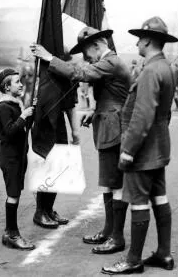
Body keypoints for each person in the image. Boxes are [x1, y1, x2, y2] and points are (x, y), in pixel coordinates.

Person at [31, 26, 131, 254]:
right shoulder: (110, 62)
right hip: (109, 124)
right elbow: (112, 96)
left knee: (114, 184)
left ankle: (116, 237)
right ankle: (109, 231)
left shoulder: (111, 61)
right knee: (109, 183)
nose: (87, 59)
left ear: (97, 45)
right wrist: (95, 112)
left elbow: (81, 74)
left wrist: (49, 58)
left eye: (87, 54)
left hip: (113, 128)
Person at [102, 17, 177, 274]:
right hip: (159, 146)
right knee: (160, 198)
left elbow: (142, 115)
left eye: (139, 39)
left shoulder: (150, 71)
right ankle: (164, 254)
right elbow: (164, 114)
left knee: (139, 202)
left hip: (143, 150)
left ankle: (133, 260)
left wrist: (128, 150)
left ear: (147, 40)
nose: (137, 42)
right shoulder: (167, 67)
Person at [0, 68, 36, 251]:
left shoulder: (15, 104)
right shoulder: (4, 107)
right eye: (17, 82)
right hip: (10, 157)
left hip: (19, 155)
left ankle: (9, 233)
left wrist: (30, 112)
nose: (21, 84)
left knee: (16, 193)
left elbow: (23, 128)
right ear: (6, 87)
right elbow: (10, 132)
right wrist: (23, 116)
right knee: (13, 194)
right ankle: (11, 234)